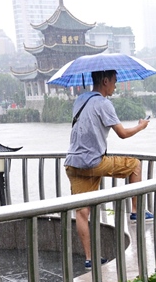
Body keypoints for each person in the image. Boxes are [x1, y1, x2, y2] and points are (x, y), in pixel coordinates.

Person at [64, 69, 150, 269]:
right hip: (93, 162)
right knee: (134, 165)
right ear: (105, 81)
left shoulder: (79, 101)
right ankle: (136, 212)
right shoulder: (104, 103)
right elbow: (122, 133)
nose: (115, 85)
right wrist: (141, 126)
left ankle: (90, 258)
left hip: (72, 163)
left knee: (82, 211)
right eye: (114, 81)